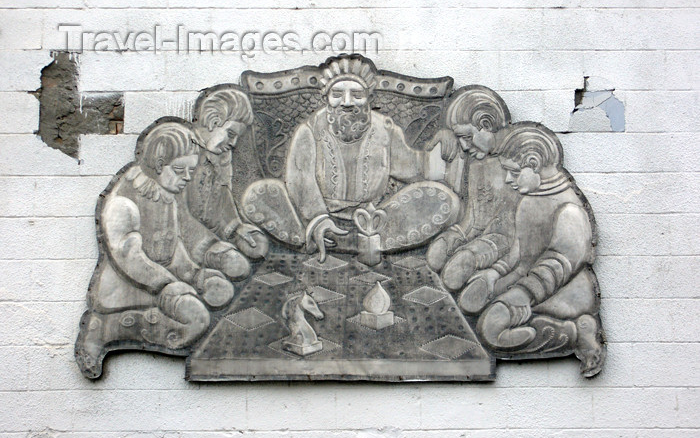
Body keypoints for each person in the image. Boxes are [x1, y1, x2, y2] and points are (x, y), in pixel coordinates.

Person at [240, 54, 461, 262]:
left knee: (444, 199)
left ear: (368, 98)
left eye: (356, 95)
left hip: (373, 222)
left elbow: (417, 168)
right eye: (337, 95)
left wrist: (444, 138)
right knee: (257, 194)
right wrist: (317, 217)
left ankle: (352, 242)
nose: (347, 102)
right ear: (326, 98)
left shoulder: (384, 129)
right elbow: (300, 179)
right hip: (318, 219)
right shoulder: (310, 130)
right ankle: (328, 238)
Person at [75, 122, 236, 379]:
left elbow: (174, 249)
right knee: (198, 319)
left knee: (221, 292)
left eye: (190, 170)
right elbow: (130, 257)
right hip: (132, 292)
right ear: (159, 164)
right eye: (180, 169)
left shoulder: (165, 195)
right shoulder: (124, 201)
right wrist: (168, 286)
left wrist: (196, 275)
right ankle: (102, 329)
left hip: (164, 283)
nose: (186, 177)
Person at [466, 123, 606, 377]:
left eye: (513, 172)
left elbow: (558, 263)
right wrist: (494, 275)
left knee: (490, 329)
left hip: (560, 295)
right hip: (528, 286)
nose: (508, 179)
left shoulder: (569, 209)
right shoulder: (529, 201)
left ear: (534, 163)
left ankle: (577, 332)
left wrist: (522, 295)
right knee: (469, 304)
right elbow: (519, 255)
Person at [426, 86, 519, 294]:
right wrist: (457, 235)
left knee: (454, 273)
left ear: (485, 124)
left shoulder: (518, 162)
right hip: (479, 232)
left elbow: (515, 234)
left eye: (467, 138)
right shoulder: (477, 162)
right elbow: (473, 219)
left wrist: (473, 251)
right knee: (436, 255)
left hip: (504, 240)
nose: (465, 147)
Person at [185, 86, 268, 270]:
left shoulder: (221, 154)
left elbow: (223, 194)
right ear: (213, 121)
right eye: (230, 134)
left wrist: (237, 226)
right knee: (236, 266)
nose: (233, 143)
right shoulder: (183, 151)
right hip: (188, 234)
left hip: (214, 229)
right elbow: (179, 213)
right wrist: (210, 243)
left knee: (258, 244)